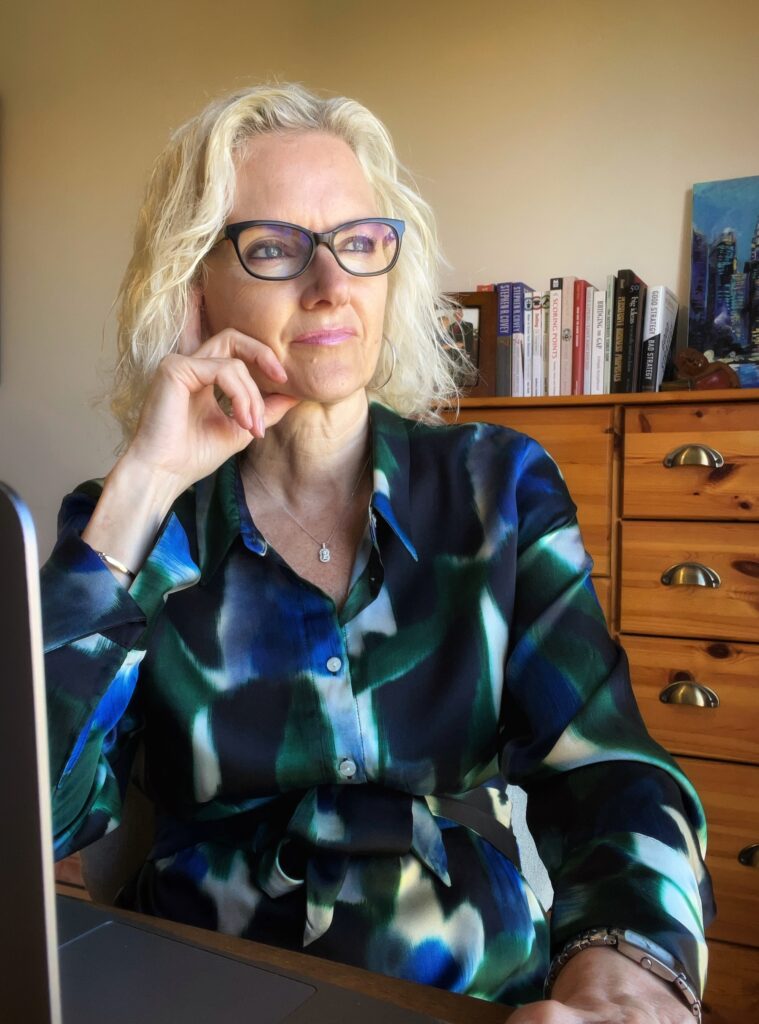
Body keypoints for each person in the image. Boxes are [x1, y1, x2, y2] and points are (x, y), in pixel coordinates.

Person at [42, 83, 713, 1021]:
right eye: (275, 247)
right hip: (209, 984)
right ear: (193, 285)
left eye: (359, 241)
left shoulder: (498, 489)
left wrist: (621, 977)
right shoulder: (130, 522)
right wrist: (146, 481)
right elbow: (36, 812)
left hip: (473, 988)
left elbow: (605, 768)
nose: (331, 285)